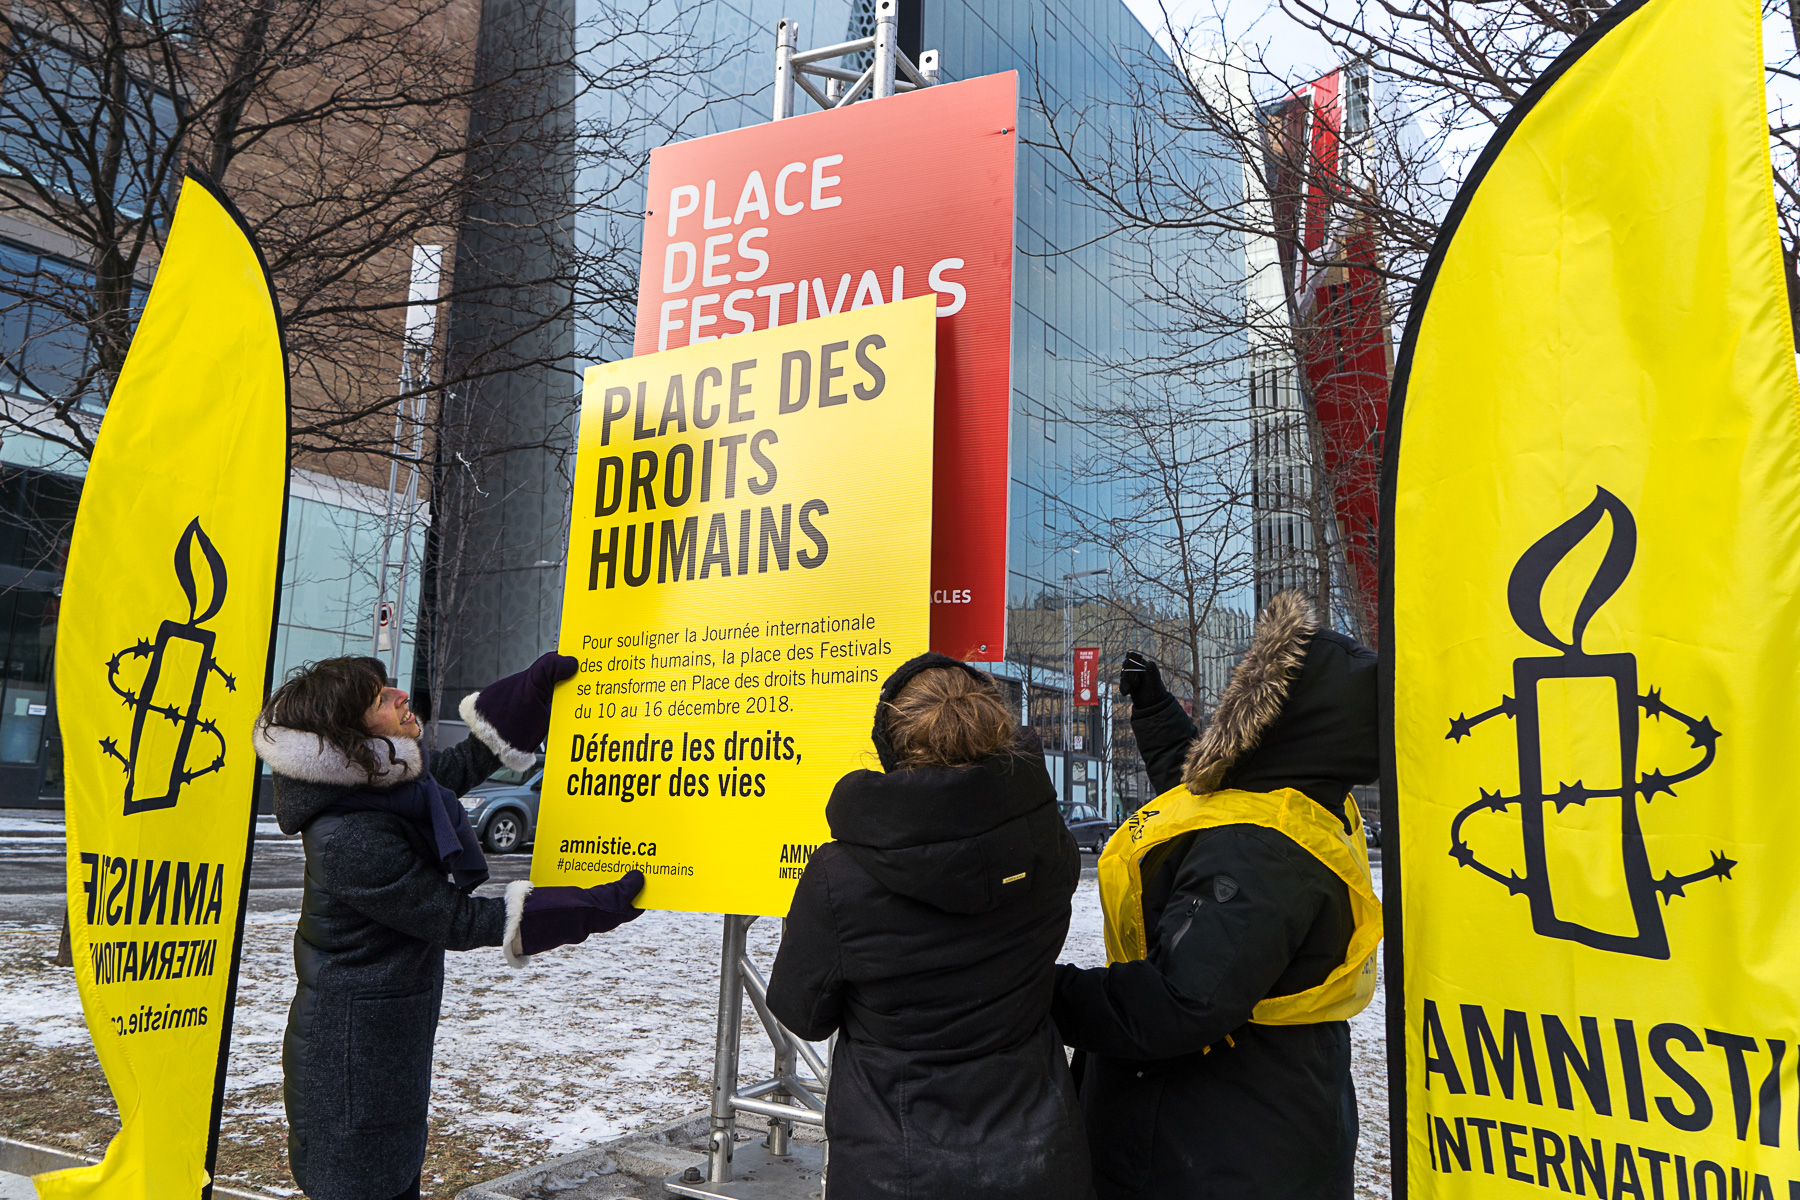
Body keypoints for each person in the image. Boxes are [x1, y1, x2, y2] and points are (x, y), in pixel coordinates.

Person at [255, 654, 645, 1200]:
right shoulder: (348, 836)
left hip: (381, 1041)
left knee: (391, 1171)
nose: (399, 695)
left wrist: (529, 690)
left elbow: (460, 765)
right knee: (363, 1180)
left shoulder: (379, 784)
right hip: (349, 1060)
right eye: (379, 698)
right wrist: (590, 907)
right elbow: (460, 920)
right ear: (349, 736)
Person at [1053, 591, 1382, 1199]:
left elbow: (1176, 1003)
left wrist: (1041, 994)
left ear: (1285, 720)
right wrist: (1157, 713)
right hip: (1273, 1114)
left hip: (1212, 1141)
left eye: (1251, 697)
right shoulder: (1301, 802)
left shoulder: (1261, 852)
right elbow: (1201, 806)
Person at [766, 653, 1094, 1200]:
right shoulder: (1050, 847)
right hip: (1040, 1156)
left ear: (891, 744)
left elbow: (802, 1013)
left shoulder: (838, 876)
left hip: (893, 1164)